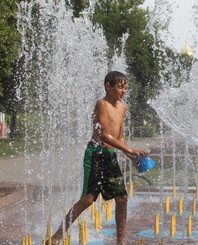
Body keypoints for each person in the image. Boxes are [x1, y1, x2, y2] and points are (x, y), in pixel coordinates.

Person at [47, 71, 147, 245]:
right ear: (108, 86)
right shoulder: (101, 104)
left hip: (110, 156)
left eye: (125, 88)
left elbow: (120, 138)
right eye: (120, 87)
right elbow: (105, 136)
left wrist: (131, 156)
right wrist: (131, 149)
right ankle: (58, 234)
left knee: (122, 198)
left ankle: (121, 241)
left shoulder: (122, 107)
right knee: (88, 198)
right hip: (96, 154)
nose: (123, 91)